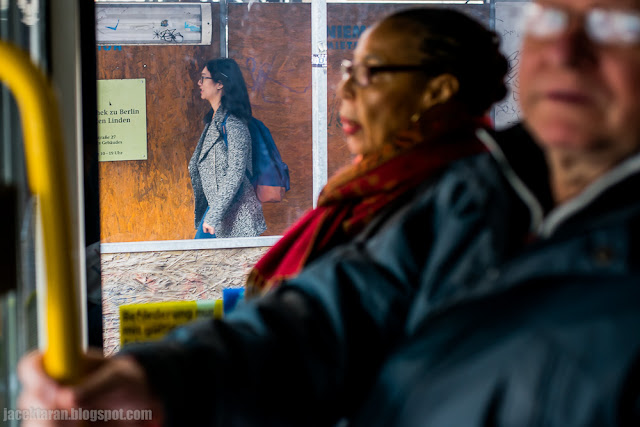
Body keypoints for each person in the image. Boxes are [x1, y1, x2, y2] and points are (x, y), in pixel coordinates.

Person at [18, 1, 640, 426]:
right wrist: (160, 382)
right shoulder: (482, 192)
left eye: (617, 25)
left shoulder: (429, 184)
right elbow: (331, 313)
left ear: (439, 94)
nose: (566, 49)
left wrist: (211, 223)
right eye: (550, 14)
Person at [245, 8, 506, 296]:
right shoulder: (378, 189)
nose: (344, 90)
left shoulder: (458, 204)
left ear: (438, 91)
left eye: (369, 72)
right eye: (349, 71)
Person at [189, 58, 266, 239]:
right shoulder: (214, 121)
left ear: (220, 84)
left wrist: (214, 215)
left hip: (234, 213)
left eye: (203, 78)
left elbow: (235, 173)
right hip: (218, 209)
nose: (199, 83)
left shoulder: (233, 123)